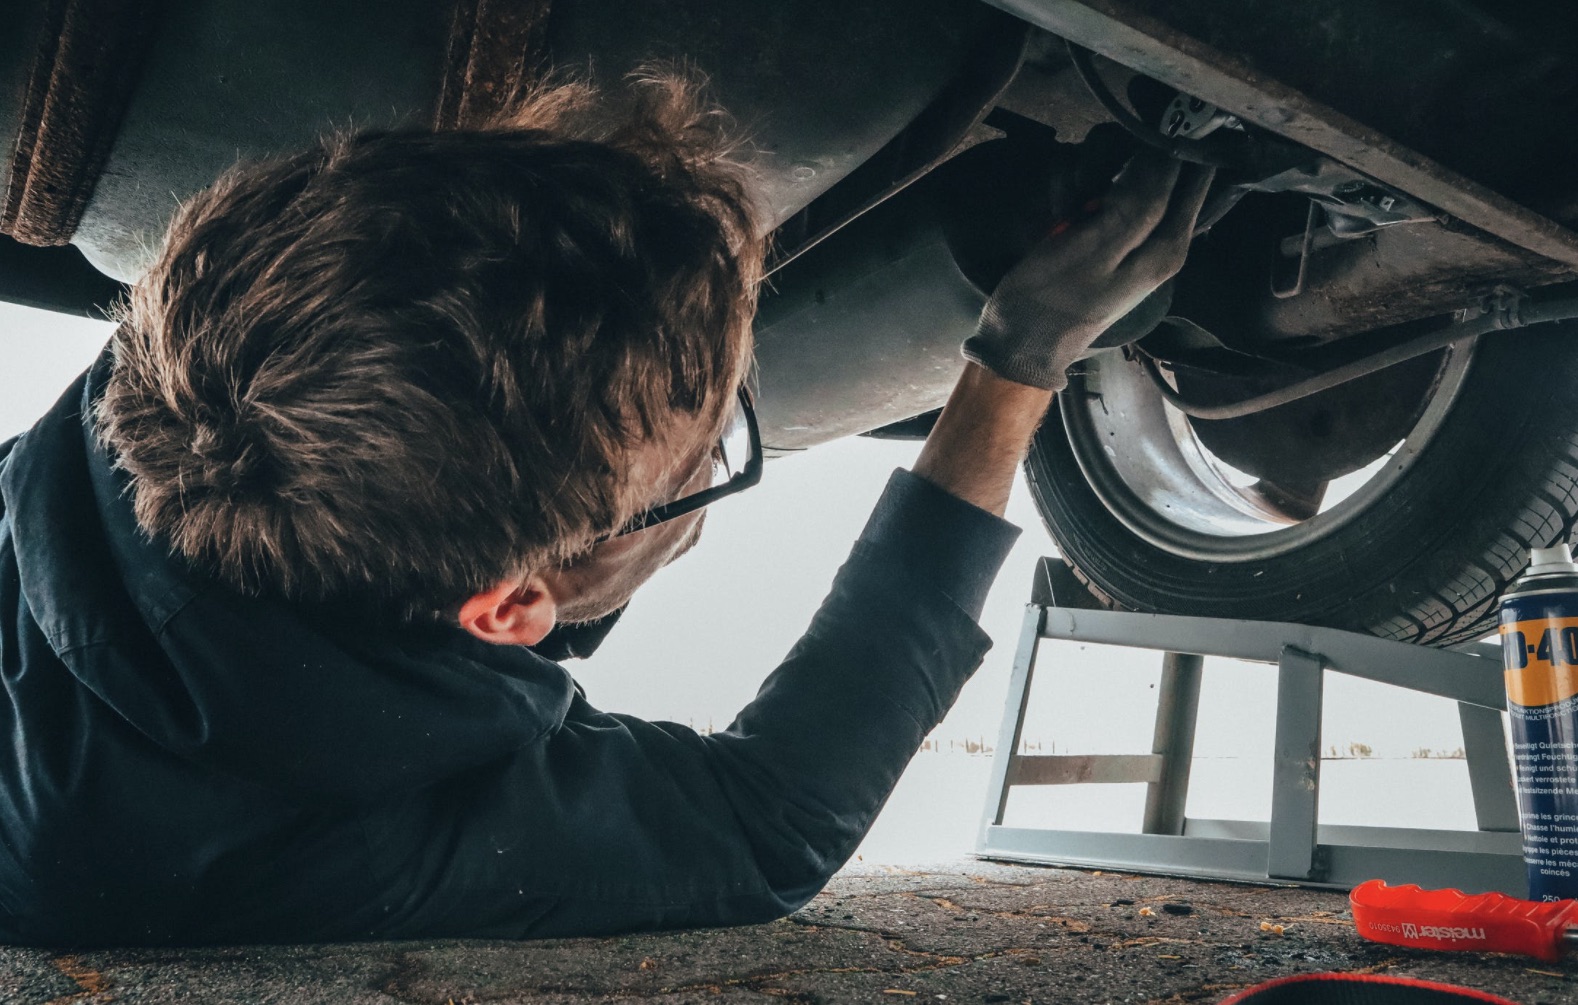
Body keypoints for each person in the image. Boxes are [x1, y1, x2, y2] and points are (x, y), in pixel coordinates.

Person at [0, 74, 1210, 946]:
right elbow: (769, 823)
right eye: (712, 453)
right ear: (509, 606)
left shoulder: (212, 357)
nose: (717, 468)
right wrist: (1014, 367)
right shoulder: (294, 834)